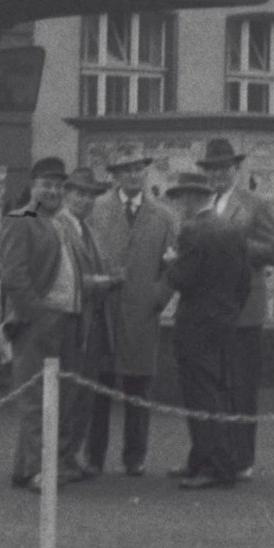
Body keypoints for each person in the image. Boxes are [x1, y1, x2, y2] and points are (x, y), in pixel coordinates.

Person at [83, 149, 177, 477]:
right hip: (104, 311)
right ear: (115, 175)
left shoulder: (164, 216)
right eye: (127, 170)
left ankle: (135, 457)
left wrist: (158, 297)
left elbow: (172, 267)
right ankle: (93, 457)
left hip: (142, 313)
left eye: (139, 169)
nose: (134, 175)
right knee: (99, 387)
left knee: (139, 389)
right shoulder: (96, 210)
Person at [0, 157, 89, 491]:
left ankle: (25, 468)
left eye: (57, 186)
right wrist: (37, 314)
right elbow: (14, 276)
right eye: (45, 185)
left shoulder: (59, 223)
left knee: (55, 396)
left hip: (65, 319)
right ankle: (38, 470)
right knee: (36, 398)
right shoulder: (21, 220)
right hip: (39, 320)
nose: (52, 191)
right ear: (32, 187)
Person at [197, 138, 274, 480]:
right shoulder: (204, 207)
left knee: (242, 385)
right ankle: (216, 454)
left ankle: (242, 458)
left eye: (224, 169)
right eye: (212, 170)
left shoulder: (254, 204)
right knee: (214, 385)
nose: (218, 176)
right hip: (209, 309)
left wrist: (234, 245)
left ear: (236, 170)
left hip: (243, 308)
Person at [162, 171, 251, 490]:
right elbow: (244, 282)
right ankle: (205, 459)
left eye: (179, 198)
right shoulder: (232, 228)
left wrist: (171, 261)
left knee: (200, 394)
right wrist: (228, 312)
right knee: (217, 391)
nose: (177, 204)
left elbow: (183, 279)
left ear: (190, 198)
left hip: (195, 324)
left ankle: (214, 466)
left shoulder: (192, 231)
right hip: (224, 322)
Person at [55, 167, 120, 478]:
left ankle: (71, 455)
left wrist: (110, 277)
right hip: (72, 324)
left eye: (90, 195)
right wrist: (101, 281)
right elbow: (63, 278)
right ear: (66, 194)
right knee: (67, 394)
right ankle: (56, 457)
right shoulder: (58, 227)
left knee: (85, 395)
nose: (84, 200)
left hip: (94, 323)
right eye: (79, 193)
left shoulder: (89, 230)